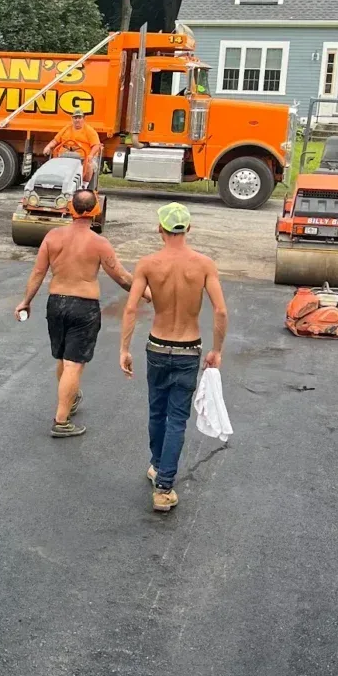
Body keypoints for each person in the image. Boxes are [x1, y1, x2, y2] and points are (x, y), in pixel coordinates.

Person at [119, 202, 228, 513]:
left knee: (157, 411)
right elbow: (220, 310)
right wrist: (217, 350)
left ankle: (158, 466)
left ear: (160, 229)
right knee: (177, 418)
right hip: (187, 349)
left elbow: (131, 308)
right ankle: (164, 486)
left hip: (156, 346)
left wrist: (124, 349)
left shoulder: (148, 264)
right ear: (188, 228)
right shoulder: (204, 264)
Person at [14, 189, 138, 438]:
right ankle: (61, 421)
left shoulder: (52, 237)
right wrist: (145, 292)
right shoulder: (99, 243)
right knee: (73, 364)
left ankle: (69, 398)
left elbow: (38, 273)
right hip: (84, 307)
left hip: (56, 303)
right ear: (95, 212)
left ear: (70, 209)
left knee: (62, 358)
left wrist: (25, 301)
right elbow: (122, 277)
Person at [44, 107, 101, 186]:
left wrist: (90, 155)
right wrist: (48, 147)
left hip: (83, 157)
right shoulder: (66, 128)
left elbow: (96, 145)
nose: (77, 120)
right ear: (72, 119)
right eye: (75, 118)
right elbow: (55, 140)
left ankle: (84, 185)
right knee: (52, 164)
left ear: (83, 118)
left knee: (89, 165)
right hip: (65, 156)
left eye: (79, 117)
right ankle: (55, 185)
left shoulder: (90, 131)